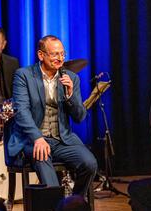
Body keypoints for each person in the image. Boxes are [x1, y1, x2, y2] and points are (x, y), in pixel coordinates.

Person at [7, 35, 97, 196]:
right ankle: (55, 210)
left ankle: (74, 204)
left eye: (62, 54)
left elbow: (79, 117)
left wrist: (71, 96)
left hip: (62, 140)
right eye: (55, 54)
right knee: (47, 173)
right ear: (41, 55)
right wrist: (37, 138)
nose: (60, 58)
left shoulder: (71, 78)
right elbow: (21, 111)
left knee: (89, 163)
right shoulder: (24, 75)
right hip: (32, 140)